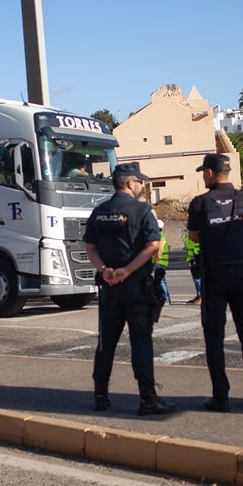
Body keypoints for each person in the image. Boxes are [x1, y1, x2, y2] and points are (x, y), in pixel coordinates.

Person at [83, 162, 176, 416]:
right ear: (129, 183)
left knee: (106, 342)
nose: (142, 186)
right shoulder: (142, 210)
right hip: (137, 288)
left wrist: (105, 269)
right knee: (141, 342)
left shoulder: (100, 211)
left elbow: (90, 246)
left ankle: (100, 395)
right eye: (140, 182)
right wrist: (128, 270)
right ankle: (147, 399)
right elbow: (154, 245)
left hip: (110, 289)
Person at [187, 153, 243, 412]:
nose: (203, 176)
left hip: (215, 275)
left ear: (210, 173)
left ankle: (221, 397)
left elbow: (196, 237)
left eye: (203, 172)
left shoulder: (200, 203)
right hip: (242, 273)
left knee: (214, 337)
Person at [155, 219, 171, 303]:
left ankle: (165, 298)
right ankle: (166, 297)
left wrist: (156, 260)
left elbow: (159, 249)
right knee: (161, 280)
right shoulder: (161, 235)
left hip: (160, 262)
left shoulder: (159, 236)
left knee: (160, 280)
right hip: (162, 261)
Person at [184, 232, 202, 303]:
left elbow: (192, 244)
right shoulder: (190, 232)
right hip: (194, 257)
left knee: (198, 279)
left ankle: (200, 296)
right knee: (196, 279)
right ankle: (199, 295)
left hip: (197, 257)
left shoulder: (195, 231)